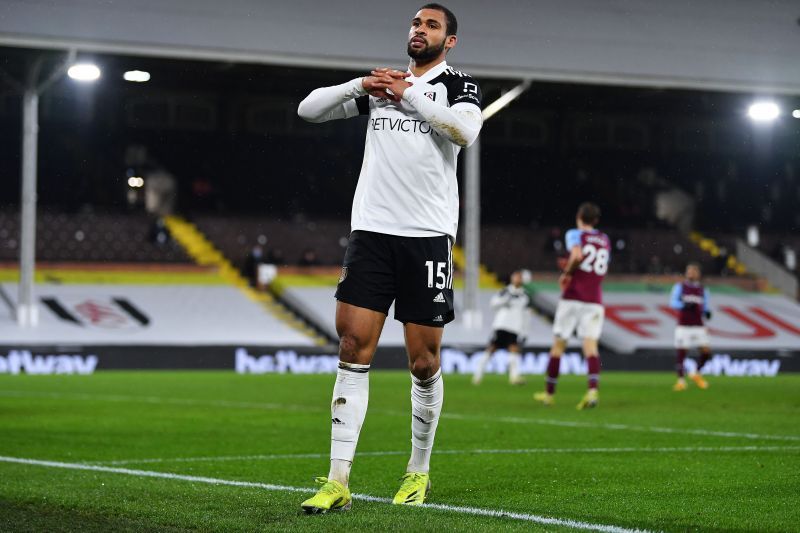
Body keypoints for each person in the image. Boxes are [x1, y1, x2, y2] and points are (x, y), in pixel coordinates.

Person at [296, 3, 482, 513]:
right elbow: (308, 110)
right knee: (352, 346)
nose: (419, 30)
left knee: (423, 361)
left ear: (450, 42)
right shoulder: (381, 88)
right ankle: (337, 482)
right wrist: (363, 85)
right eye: (416, 23)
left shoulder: (458, 85)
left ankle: (417, 473)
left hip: (426, 236)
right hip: (372, 233)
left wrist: (411, 93)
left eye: (432, 25)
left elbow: (465, 131)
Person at [534, 203, 610, 410]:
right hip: (594, 299)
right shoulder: (604, 239)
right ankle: (592, 391)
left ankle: (549, 395)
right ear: (595, 220)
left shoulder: (575, 234)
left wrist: (567, 273)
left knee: (559, 345)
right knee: (591, 346)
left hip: (573, 297)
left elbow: (577, 256)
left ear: (579, 216)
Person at [472, 270, 531, 386]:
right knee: (490, 350)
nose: (517, 279)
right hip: (501, 325)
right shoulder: (504, 291)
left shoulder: (525, 296)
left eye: (519, 277)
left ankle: (514, 377)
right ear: (512, 278)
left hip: (514, 328)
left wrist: (525, 332)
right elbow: (493, 304)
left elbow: (526, 315)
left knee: (514, 351)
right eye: (516, 277)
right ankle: (477, 376)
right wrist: (506, 300)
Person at [669, 263, 712, 391]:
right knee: (682, 352)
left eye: (694, 271)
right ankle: (681, 381)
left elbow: (705, 307)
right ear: (686, 273)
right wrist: (684, 305)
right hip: (684, 324)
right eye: (689, 271)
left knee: (706, 352)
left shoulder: (703, 289)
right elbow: (672, 302)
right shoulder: (680, 287)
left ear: (698, 274)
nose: (691, 273)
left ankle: (696, 373)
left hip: (698, 324)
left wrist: (707, 313)